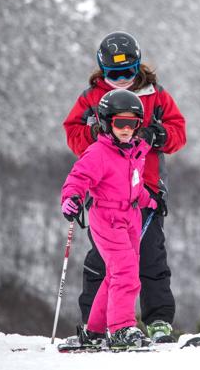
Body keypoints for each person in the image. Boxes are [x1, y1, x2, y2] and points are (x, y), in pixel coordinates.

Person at [63, 31, 186, 343]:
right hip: (106, 192)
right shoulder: (93, 97)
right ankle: (98, 323)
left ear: (138, 66)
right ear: (102, 70)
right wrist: (99, 136)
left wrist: (157, 136)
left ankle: (158, 320)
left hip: (145, 189)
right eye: (113, 74)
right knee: (104, 259)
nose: (120, 80)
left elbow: (178, 131)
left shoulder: (155, 94)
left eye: (127, 73)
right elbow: (74, 131)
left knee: (150, 255)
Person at [62, 89, 157, 349]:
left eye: (132, 123)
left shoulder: (135, 152)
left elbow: (135, 186)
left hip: (130, 217)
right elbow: (78, 178)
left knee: (117, 273)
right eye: (120, 123)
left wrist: (151, 201)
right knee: (126, 273)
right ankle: (121, 328)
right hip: (106, 217)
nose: (127, 130)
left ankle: (95, 330)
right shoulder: (98, 153)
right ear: (106, 123)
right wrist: (71, 198)